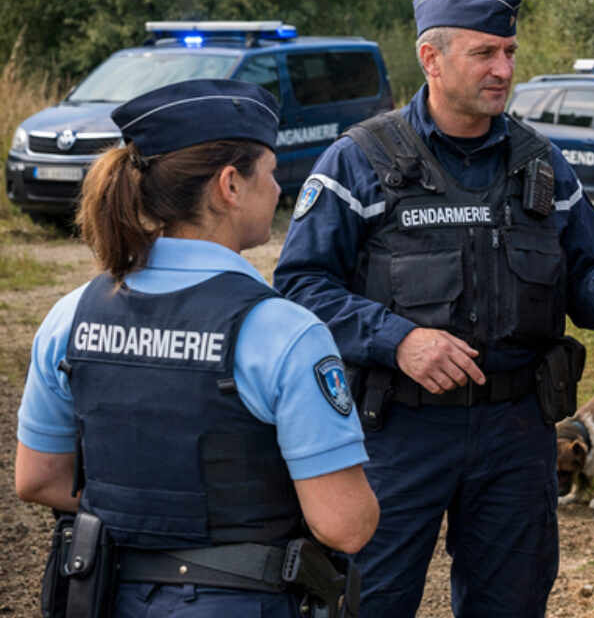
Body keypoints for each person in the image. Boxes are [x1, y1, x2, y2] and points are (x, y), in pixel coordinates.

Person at [273, 0, 594, 617]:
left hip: (516, 432)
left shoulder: (543, 166)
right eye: (485, 53)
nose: (503, 68)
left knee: (509, 604)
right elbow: (300, 288)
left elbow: (588, 284)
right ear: (432, 58)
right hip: (398, 430)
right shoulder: (359, 161)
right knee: (371, 600)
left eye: (509, 51)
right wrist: (399, 340)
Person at [14, 78, 379, 617]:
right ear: (229, 185)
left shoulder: (71, 315)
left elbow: (38, 477)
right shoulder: (283, 332)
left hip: (105, 595)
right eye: (272, 173)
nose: (279, 190)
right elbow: (345, 526)